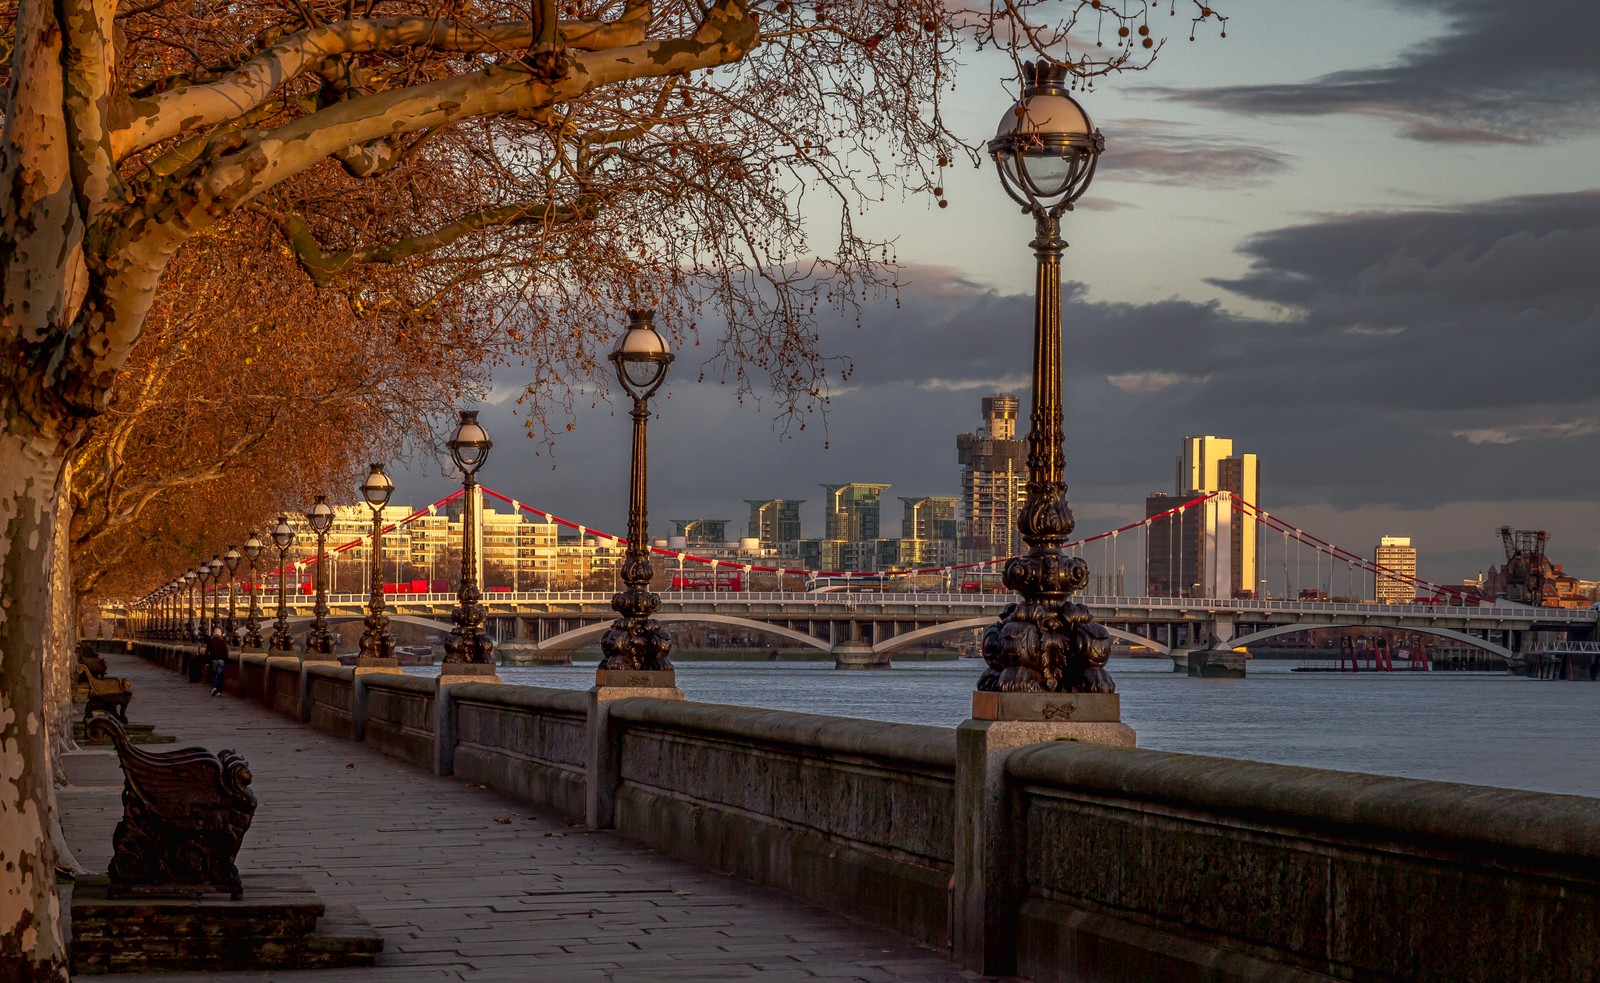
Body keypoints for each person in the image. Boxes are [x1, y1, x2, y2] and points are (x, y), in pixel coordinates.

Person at [206, 627, 230, 696]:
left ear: (214, 633)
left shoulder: (211, 641)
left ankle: (214, 687)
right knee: (220, 675)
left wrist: (207, 662)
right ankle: (219, 691)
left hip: (213, 660)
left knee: (212, 674)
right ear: (220, 634)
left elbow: (207, 652)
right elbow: (226, 652)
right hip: (221, 661)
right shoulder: (223, 641)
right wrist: (227, 661)